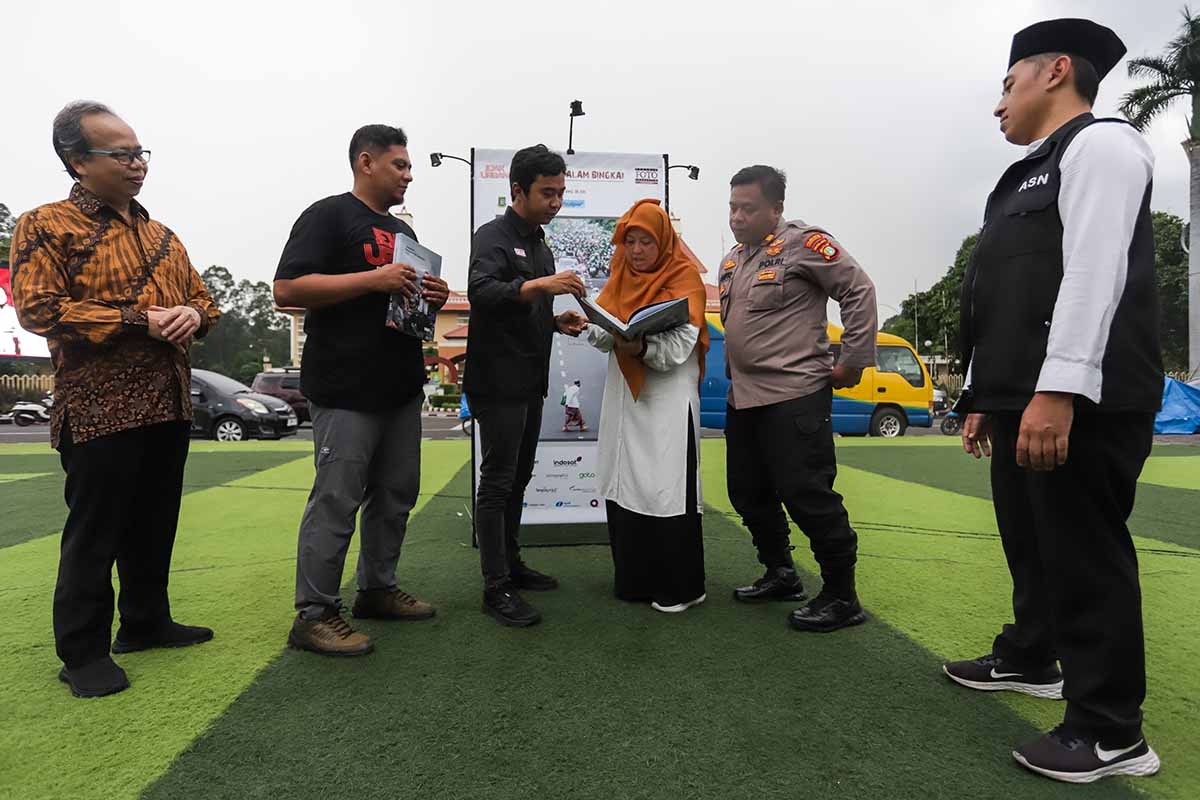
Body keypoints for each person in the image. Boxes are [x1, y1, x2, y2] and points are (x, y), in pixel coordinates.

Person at [944, 18, 1163, 783]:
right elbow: (1006, 290)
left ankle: (1111, 732)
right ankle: (1034, 655)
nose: (998, 103)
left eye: (1007, 84)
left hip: (1085, 398)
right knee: (1032, 542)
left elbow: (1094, 272)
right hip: (1019, 396)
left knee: (1084, 553)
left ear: (1055, 71)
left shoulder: (1102, 145)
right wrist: (984, 394)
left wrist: (1058, 388)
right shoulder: (1027, 171)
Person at [11, 101, 220, 697]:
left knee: (155, 521)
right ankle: (81, 654)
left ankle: (146, 623)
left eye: (140, 152)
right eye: (122, 154)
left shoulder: (162, 234)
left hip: (169, 401)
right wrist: (140, 320)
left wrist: (189, 313)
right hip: (98, 407)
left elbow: (205, 302)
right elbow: (39, 309)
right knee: (96, 531)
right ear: (77, 161)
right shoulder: (44, 224)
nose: (138, 164)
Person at [273, 124, 449, 657]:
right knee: (336, 498)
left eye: (410, 166)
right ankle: (315, 613)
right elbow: (286, 289)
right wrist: (372, 281)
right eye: (400, 164)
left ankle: (376, 589)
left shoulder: (402, 234)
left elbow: (405, 307)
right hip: (345, 386)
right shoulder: (327, 215)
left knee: (396, 496)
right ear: (366, 162)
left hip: (398, 385)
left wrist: (432, 296)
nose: (409, 174)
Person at [718, 165, 877, 632]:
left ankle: (841, 595)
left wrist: (852, 359)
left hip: (795, 394)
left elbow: (858, 289)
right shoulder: (733, 259)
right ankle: (781, 572)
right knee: (747, 492)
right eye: (732, 207)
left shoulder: (804, 244)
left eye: (748, 208)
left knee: (806, 493)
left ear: (776, 209)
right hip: (743, 398)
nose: (737, 217)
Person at [464, 144, 588, 627]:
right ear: (517, 190)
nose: (555, 202)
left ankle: (511, 564)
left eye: (560, 193)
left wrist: (559, 324)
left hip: (530, 377)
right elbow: (482, 293)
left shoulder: (540, 243)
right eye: (546, 193)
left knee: (518, 478)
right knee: (496, 482)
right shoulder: (492, 236)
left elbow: (525, 308)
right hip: (497, 380)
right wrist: (541, 287)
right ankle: (495, 588)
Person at [583, 199, 709, 613]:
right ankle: (635, 581)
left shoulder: (684, 277)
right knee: (627, 483)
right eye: (629, 240)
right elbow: (604, 332)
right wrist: (592, 326)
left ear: (664, 241)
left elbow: (680, 347)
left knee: (666, 489)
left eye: (646, 241)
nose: (636, 250)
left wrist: (641, 345)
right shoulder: (620, 276)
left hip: (667, 400)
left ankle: (681, 587)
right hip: (625, 399)